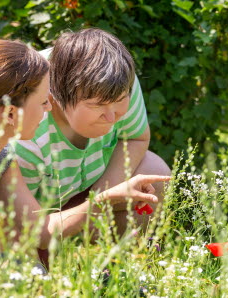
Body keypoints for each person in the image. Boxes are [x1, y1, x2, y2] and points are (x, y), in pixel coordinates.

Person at [0, 39, 170, 291]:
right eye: (43, 102)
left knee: (29, 275)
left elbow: (39, 229)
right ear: (11, 113)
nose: (50, 109)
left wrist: (106, 199)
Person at [15, 28, 171, 235]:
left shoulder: (116, 79)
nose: (111, 117)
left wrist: (101, 199)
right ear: (56, 97)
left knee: (155, 171)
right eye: (97, 105)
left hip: (89, 185)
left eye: (119, 101)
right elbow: (24, 226)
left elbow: (135, 138)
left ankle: (119, 261)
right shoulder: (26, 124)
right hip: (32, 212)